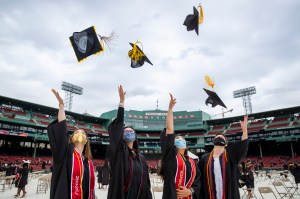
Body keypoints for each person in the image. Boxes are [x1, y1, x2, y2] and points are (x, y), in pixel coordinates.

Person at [47, 89, 95, 199]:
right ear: (71, 138)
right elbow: (61, 132)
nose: (80, 132)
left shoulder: (88, 162)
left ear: (86, 140)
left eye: (83, 133)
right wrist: (61, 106)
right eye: (76, 132)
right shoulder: (65, 154)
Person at [107, 85, 152, 199]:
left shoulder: (140, 158)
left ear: (135, 136)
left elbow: (146, 182)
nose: (128, 133)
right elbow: (116, 129)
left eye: (131, 131)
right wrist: (121, 103)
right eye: (125, 131)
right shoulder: (119, 153)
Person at [160, 93, 200, 199]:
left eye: (182, 139)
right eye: (176, 139)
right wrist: (170, 109)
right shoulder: (170, 156)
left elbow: (198, 182)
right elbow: (169, 130)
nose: (179, 139)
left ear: (186, 145)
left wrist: (190, 191)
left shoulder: (192, 163)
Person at [198, 115, 249, 199]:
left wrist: (244, 132)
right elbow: (198, 177)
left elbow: (243, 148)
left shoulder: (231, 156)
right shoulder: (204, 158)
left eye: (222, 137)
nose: (219, 136)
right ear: (213, 142)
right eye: (217, 137)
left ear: (226, 144)